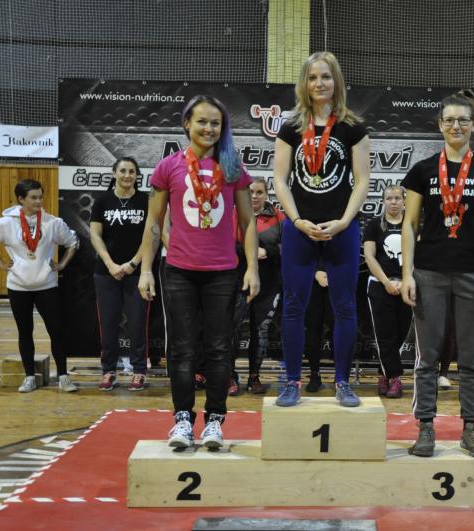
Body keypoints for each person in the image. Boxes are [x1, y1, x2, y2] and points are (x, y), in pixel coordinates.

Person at [138, 95, 259, 449]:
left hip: (222, 273)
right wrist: (146, 270)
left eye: (215, 123)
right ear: (186, 123)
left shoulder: (233, 167)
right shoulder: (168, 167)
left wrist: (252, 268)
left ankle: (215, 422)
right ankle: (182, 420)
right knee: (182, 350)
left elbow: (249, 222)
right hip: (179, 272)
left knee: (220, 349)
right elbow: (153, 223)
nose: (209, 128)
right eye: (202, 121)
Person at [401, 89, 474, 458]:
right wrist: (407, 274)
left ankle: (471, 428)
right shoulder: (423, 170)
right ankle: (425, 427)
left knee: (471, 359)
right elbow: (409, 224)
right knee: (427, 357)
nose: (456, 126)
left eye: (463, 120)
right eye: (449, 120)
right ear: (440, 125)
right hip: (428, 272)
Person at [272, 51, 370, 408]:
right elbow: (280, 180)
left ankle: (342, 382)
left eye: (326, 77)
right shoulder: (291, 128)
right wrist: (297, 220)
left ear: (336, 81)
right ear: (305, 83)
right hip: (300, 229)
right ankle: (292, 381)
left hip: (341, 229)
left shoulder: (353, 128)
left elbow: (362, 181)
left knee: (344, 306)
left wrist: (343, 221)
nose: (319, 83)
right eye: (313, 77)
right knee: (293, 307)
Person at [0, 179, 79, 392]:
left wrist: (61, 265)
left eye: (40, 197)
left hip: (47, 285)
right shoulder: (6, 223)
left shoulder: (52, 222)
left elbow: (72, 242)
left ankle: (63, 376)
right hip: (18, 286)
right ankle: (29, 377)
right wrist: (2, 264)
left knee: (56, 331)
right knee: (25, 332)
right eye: (33, 198)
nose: (38, 201)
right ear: (21, 199)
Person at [90, 156, 150, 392]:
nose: (127, 175)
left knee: (137, 325)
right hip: (106, 274)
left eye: (132, 171)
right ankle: (108, 371)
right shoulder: (102, 201)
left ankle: (139, 371)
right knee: (108, 325)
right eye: (123, 170)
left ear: (137, 175)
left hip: (137, 273)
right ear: (114, 173)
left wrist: (133, 264)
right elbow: (95, 235)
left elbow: (150, 237)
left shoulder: (146, 201)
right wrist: (110, 264)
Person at [228, 177, 285, 395]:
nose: (254, 196)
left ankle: (254, 376)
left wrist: (268, 252)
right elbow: (224, 244)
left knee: (260, 331)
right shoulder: (233, 213)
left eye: (259, 192)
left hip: (269, 283)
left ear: (266, 194)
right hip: (238, 281)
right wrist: (250, 251)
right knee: (231, 329)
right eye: (250, 192)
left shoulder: (279, 217)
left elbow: (288, 247)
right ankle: (230, 376)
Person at [364, 185, 411, 399]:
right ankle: (395, 377)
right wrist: (386, 282)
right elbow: (369, 257)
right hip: (379, 285)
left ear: (404, 201)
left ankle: (383, 373)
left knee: (401, 333)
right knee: (385, 335)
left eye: (397, 198)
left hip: (406, 286)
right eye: (389, 198)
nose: (393, 202)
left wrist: (405, 280)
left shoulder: (411, 224)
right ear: (383, 201)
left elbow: (417, 256)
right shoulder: (374, 225)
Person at [303, 267, 334, 392]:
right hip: (310, 281)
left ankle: (341, 376)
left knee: (339, 328)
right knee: (312, 328)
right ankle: (314, 373)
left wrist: (333, 272)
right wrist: (314, 272)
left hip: (338, 277)